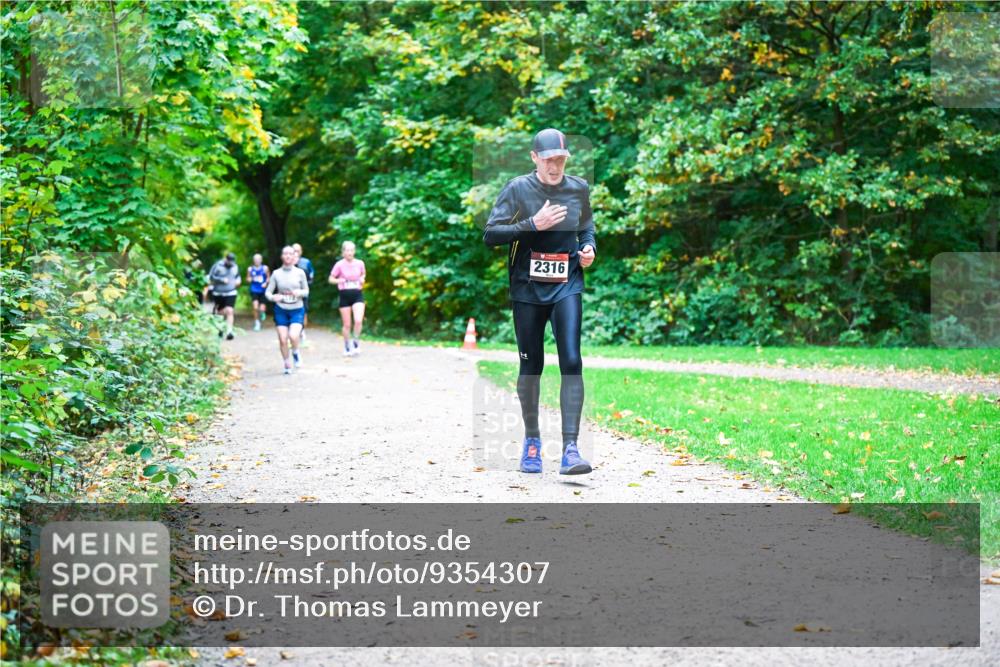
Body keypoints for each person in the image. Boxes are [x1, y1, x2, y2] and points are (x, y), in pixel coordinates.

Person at [483, 128, 596, 475]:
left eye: (560, 160)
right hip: (528, 288)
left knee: (572, 360)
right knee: (531, 366)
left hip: (567, 282)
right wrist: (532, 224)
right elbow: (491, 234)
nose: (555, 166)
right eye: (548, 160)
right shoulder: (518, 188)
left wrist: (589, 248)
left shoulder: (578, 188)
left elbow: (587, 227)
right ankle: (532, 441)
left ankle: (571, 449)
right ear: (534, 158)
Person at [265, 246, 309, 374]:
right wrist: (274, 297)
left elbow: (306, 291)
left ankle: (295, 352)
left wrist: (298, 292)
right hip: (281, 309)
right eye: (285, 254)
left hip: (297, 309)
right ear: (282, 256)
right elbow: (268, 292)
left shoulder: (300, 273)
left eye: (291, 254)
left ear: (294, 256)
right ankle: (286, 362)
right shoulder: (276, 274)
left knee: (293, 335)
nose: (288, 256)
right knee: (282, 338)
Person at [328, 241, 366, 356]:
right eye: (347, 250)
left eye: (351, 250)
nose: (349, 252)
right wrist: (339, 280)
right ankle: (346, 345)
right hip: (344, 295)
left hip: (357, 294)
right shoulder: (339, 265)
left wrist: (362, 279)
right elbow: (331, 278)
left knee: (358, 320)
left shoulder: (360, 263)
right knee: (347, 324)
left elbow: (363, 274)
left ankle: (355, 341)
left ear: (354, 251)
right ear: (343, 252)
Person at [208, 252, 241, 340]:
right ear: (226, 259)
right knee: (220, 312)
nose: (230, 263)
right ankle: (220, 329)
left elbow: (238, 276)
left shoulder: (235, 266)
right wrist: (221, 280)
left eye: (232, 262)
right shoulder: (217, 266)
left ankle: (229, 331)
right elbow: (210, 277)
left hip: (231, 292)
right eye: (229, 261)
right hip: (218, 293)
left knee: (230, 311)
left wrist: (238, 281)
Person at [292, 243, 315, 340]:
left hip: (303, 293)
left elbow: (312, 275)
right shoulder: (287, 263)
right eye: (294, 250)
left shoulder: (306, 262)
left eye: (298, 250)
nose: (296, 253)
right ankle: (292, 334)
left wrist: (307, 284)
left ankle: (302, 331)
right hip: (290, 294)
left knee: (303, 312)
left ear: (301, 252)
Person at [247, 253, 270, 331]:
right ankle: (257, 323)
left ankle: (262, 313)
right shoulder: (250, 269)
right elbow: (248, 279)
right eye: (255, 259)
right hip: (254, 290)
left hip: (263, 290)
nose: (257, 261)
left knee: (262, 308)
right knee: (255, 307)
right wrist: (250, 279)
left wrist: (265, 283)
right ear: (253, 260)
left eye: (258, 259)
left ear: (261, 260)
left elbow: (268, 278)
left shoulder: (265, 268)